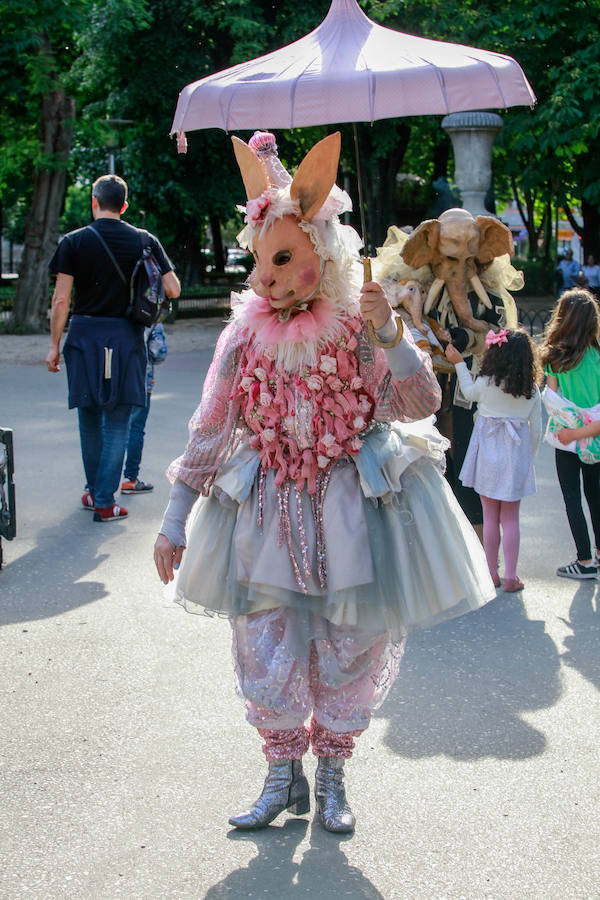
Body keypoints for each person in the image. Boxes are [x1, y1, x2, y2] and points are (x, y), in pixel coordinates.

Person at [153, 131, 495, 834]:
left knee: (351, 640)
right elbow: (212, 424)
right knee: (264, 640)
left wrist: (393, 335)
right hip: (266, 506)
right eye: (260, 261)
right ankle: (282, 774)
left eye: (283, 261)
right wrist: (173, 517)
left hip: (350, 506)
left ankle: (334, 775)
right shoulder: (243, 335)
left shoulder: (362, 321)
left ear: (323, 251)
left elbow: (421, 403)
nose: (264, 278)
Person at [46, 174, 181, 522]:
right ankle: (106, 502)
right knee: (119, 421)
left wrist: (53, 346)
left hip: (84, 337)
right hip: (126, 339)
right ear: (124, 205)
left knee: (89, 418)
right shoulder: (144, 240)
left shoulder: (73, 242)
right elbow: (173, 288)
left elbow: (61, 300)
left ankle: (94, 492)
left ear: (94, 201)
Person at [445, 329, 542, 592]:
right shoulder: (531, 391)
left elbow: (467, 391)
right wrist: (528, 459)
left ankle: (491, 573)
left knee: (490, 517)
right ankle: (511, 576)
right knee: (510, 518)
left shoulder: (486, 383)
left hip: (488, 458)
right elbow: (536, 431)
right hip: (515, 460)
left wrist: (459, 364)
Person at [539, 289, 600, 579]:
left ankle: (584, 561)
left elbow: (551, 401)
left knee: (572, 497)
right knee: (596, 496)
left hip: (566, 440)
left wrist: (571, 432)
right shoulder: (598, 356)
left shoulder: (554, 358)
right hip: (596, 440)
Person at [121, 322, 168, 495]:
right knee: (136, 428)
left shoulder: (114, 311)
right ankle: (130, 478)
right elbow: (158, 353)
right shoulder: (149, 317)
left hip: (114, 378)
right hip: (141, 380)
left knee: (110, 428)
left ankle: (98, 482)